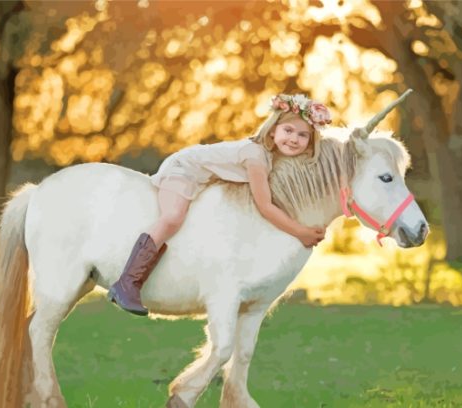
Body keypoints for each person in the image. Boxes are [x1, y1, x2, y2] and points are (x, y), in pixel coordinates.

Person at [108, 93, 332, 316]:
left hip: (201, 178)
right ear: (273, 130)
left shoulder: (270, 157)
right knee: (173, 217)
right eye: (289, 131)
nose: (294, 139)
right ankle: (127, 282)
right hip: (184, 168)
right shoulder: (255, 156)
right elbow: (265, 206)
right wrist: (300, 232)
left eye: (303, 135)